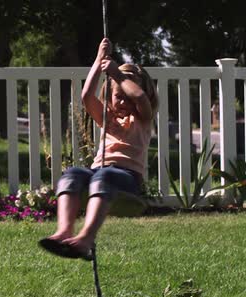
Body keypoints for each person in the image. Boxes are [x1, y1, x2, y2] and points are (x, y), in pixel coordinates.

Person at [39, 38, 158, 260]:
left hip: (128, 178)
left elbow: (139, 97)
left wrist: (119, 76)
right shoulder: (107, 117)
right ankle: (64, 231)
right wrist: (98, 59)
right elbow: (86, 96)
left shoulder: (142, 118)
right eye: (118, 97)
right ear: (110, 97)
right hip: (99, 173)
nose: (123, 103)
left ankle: (85, 239)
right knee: (71, 173)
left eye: (127, 97)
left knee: (105, 175)